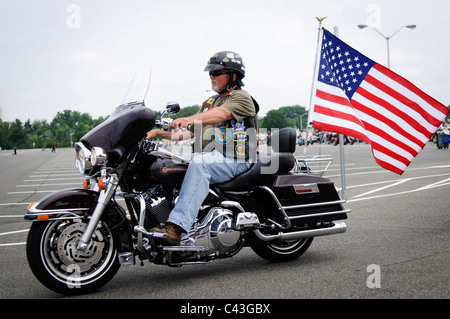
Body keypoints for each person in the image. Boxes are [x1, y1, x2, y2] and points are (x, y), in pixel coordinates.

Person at [146, 51, 259, 244]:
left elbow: (221, 114)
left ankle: (177, 228)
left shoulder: (241, 98)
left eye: (217, 72)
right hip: (215, 157)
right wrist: (156, 133)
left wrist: (190, 118)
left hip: (237, 158)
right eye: (210, 73)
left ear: (233, 75)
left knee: (200, 164)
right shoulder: (209, 103)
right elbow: (189, 132)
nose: (211, 76)